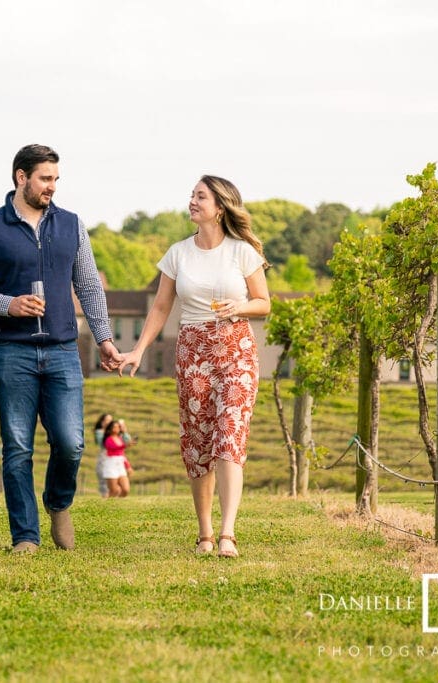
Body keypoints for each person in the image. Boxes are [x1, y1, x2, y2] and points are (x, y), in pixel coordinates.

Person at [0, 144, 123, 554]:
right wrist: (7, 304)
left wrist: (103, 339)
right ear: (21, 177)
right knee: (17, 448)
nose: (52, 187)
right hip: (11, 353)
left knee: (70, 442)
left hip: (64, 350)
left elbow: (88, 286)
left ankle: (58, 502)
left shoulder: (71, 225)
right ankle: (25, 536)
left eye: (55, 180)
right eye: (45, 179)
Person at [117, 175, 271, 558]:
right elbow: (161, 307)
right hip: (192, 350)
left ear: (219, 207)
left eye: (200, 196)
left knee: (229, 435)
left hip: (235, 348)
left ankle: (227, 534)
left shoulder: (242, 253)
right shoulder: (178, 253)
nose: (192, 201)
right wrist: (138, 350)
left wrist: (241, 307)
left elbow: (263, 303)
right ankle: (204, 533)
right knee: (198, 441)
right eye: (192, 195)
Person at [101, 419, 133, 497]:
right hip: (111, 465)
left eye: (118, 427)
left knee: (126, 489)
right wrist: (125, 445)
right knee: (114, 491)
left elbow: (122, 454)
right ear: (110, 429)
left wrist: (128, 466)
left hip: (120, 465)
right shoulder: (108, 440)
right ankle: (108, 505)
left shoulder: (120, 439)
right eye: (114, 427)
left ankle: (118, 504)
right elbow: (113, 447)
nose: (117, 428)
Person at [92, 413, 113, 497]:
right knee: (103, 477)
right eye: (107, 420)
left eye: (111, 420)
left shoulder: (114, 432)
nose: (109, 422)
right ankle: (105, 496)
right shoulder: (99, 432)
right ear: (102, 422)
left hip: (114, 457)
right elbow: (102, 443)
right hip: (104, 457)